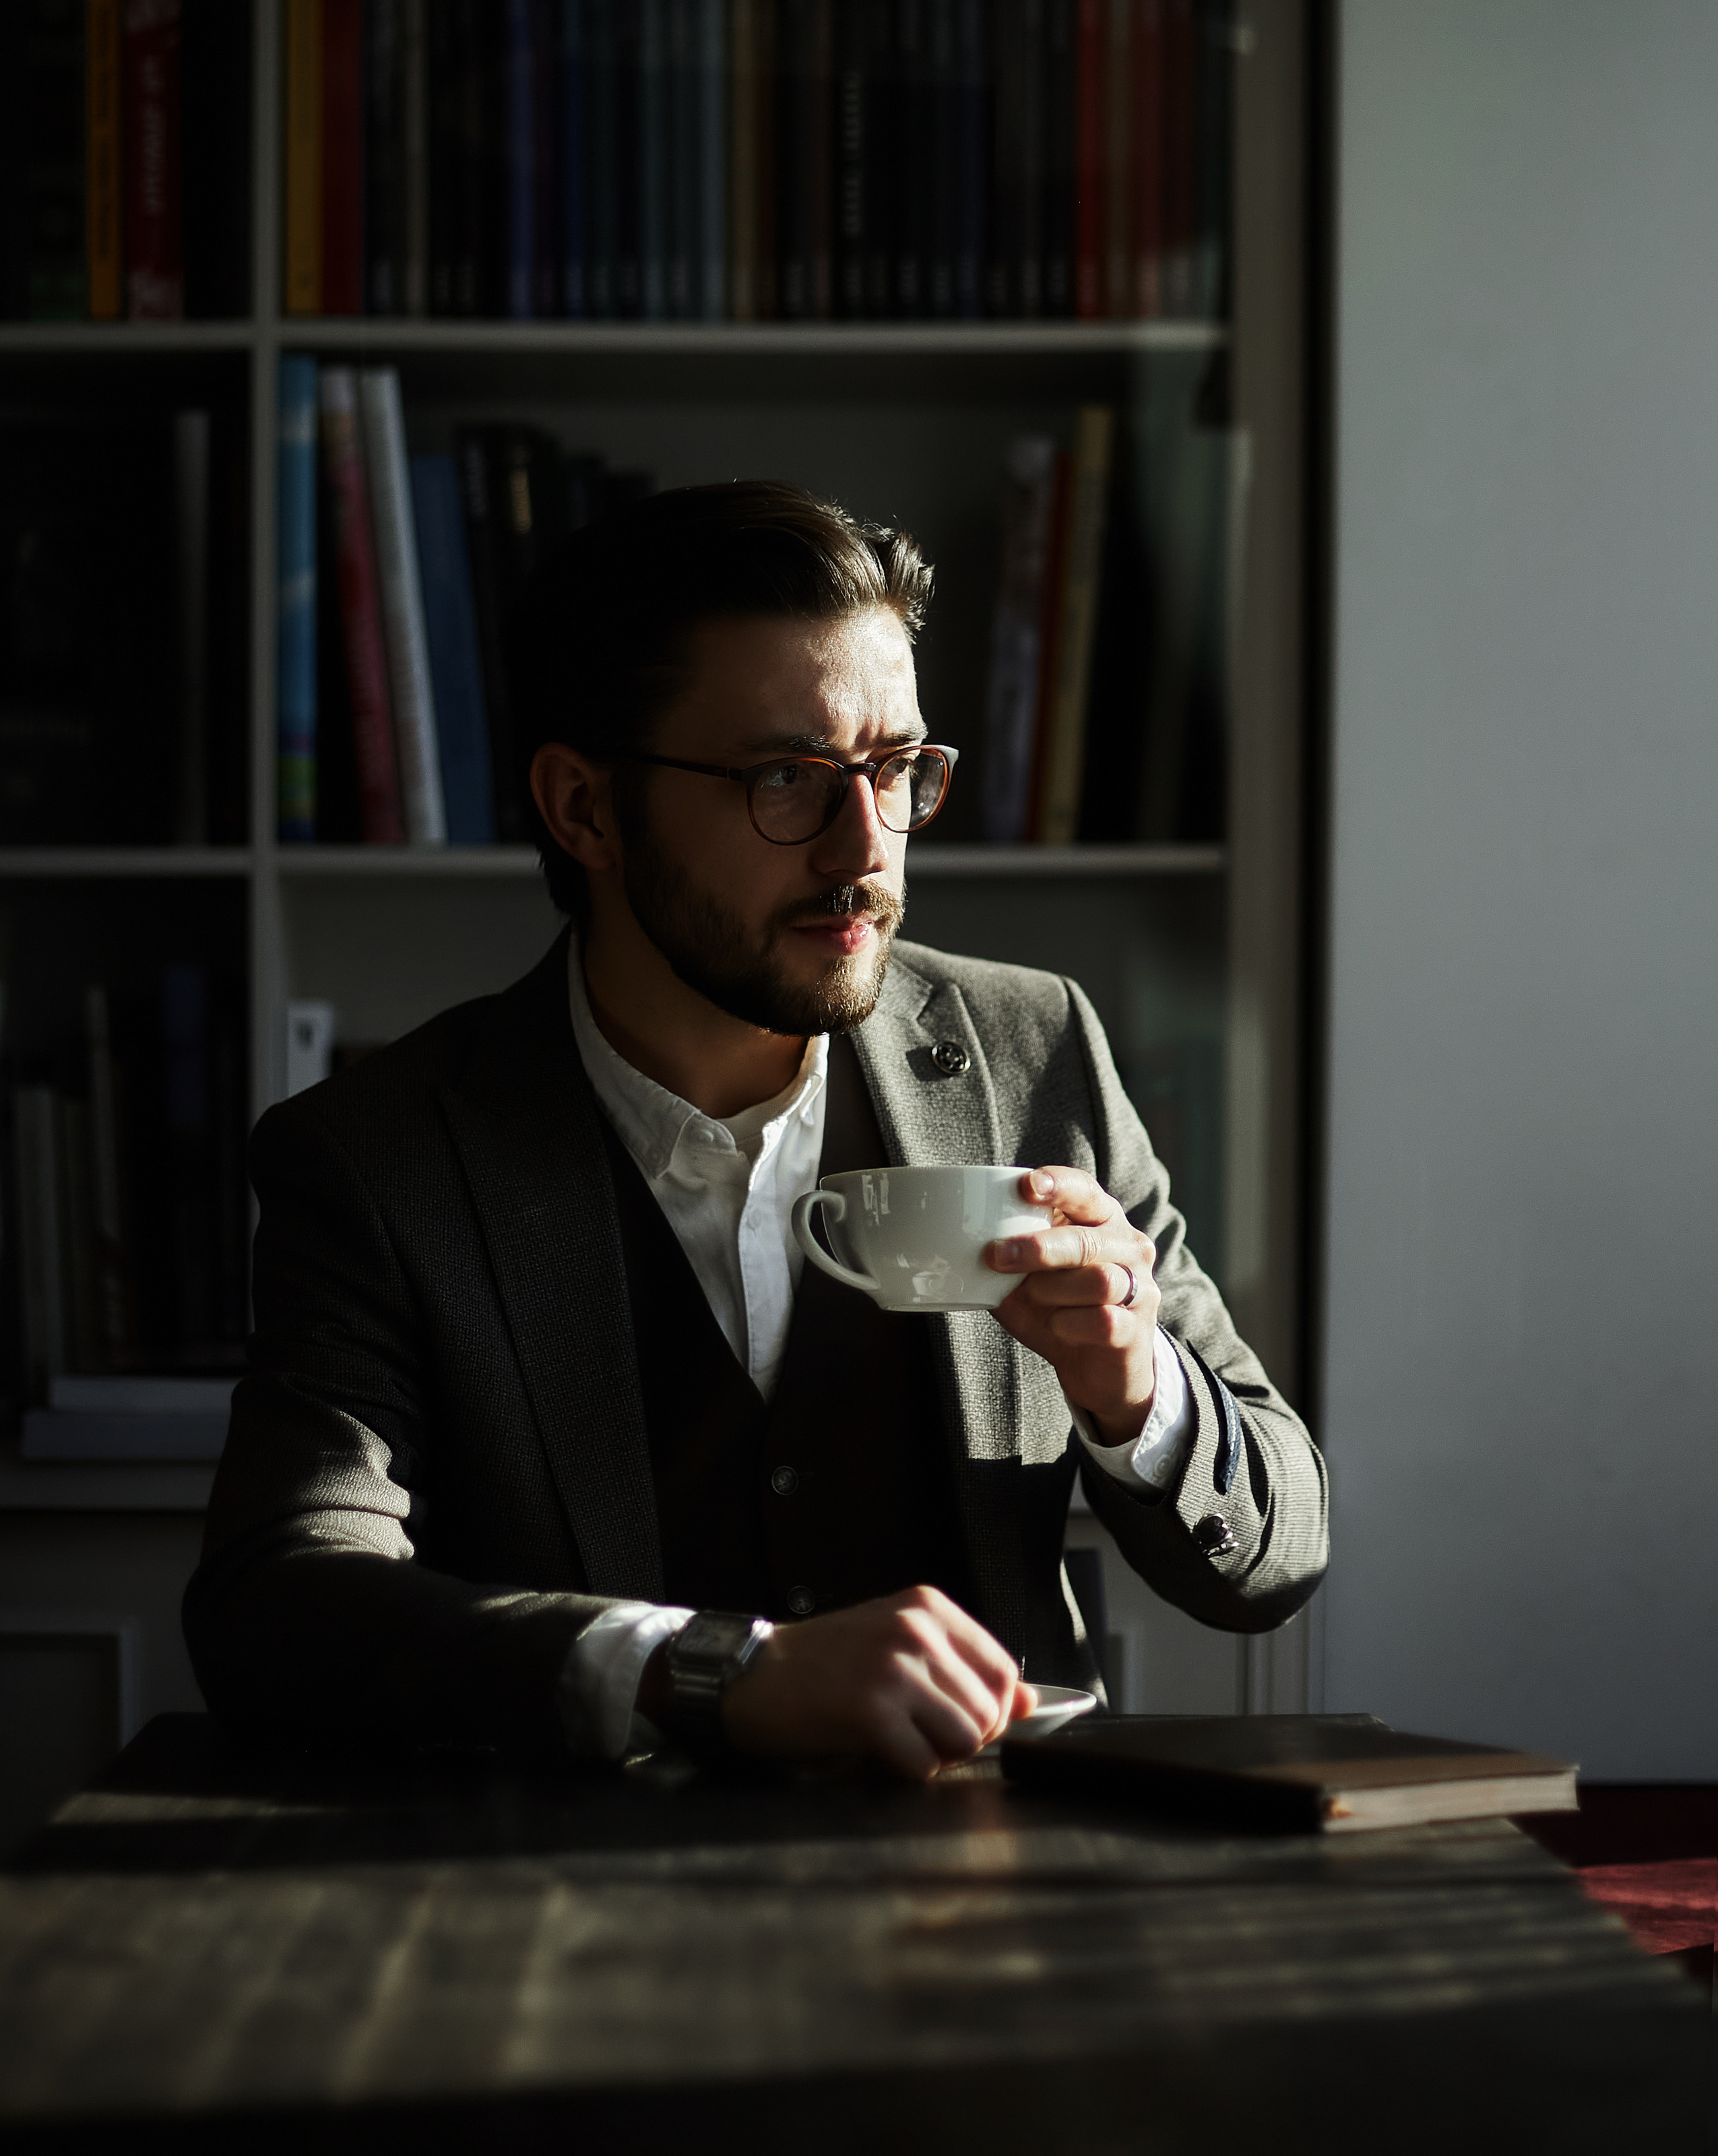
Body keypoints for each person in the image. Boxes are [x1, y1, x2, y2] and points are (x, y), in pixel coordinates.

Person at [185, 482, 1326, 1779]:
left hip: (1006, 1909)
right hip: (572, 1924)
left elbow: (1278, 1558)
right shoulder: (381, 1159)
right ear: (586, 811)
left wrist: (1142, 1395)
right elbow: (277, 1607)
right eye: (786, 777)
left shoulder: (1032, 1052)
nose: (866, 851)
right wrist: (707, 1670)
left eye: (896, 771)